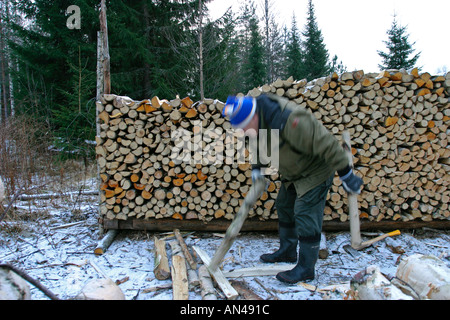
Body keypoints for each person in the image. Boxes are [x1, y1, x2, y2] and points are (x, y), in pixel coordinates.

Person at [222, 94, 363, 284]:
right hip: (292, 170)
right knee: (284, 206)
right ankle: (288, 251)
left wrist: (346, 173)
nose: (243, 132)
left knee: (305, 213)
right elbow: (258, 144)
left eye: (244, 127)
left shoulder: (291, 120)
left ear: (253, 117)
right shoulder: (256, 123)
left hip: (316, 169)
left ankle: (306, 268)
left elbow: (327, 143)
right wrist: (257, 169)